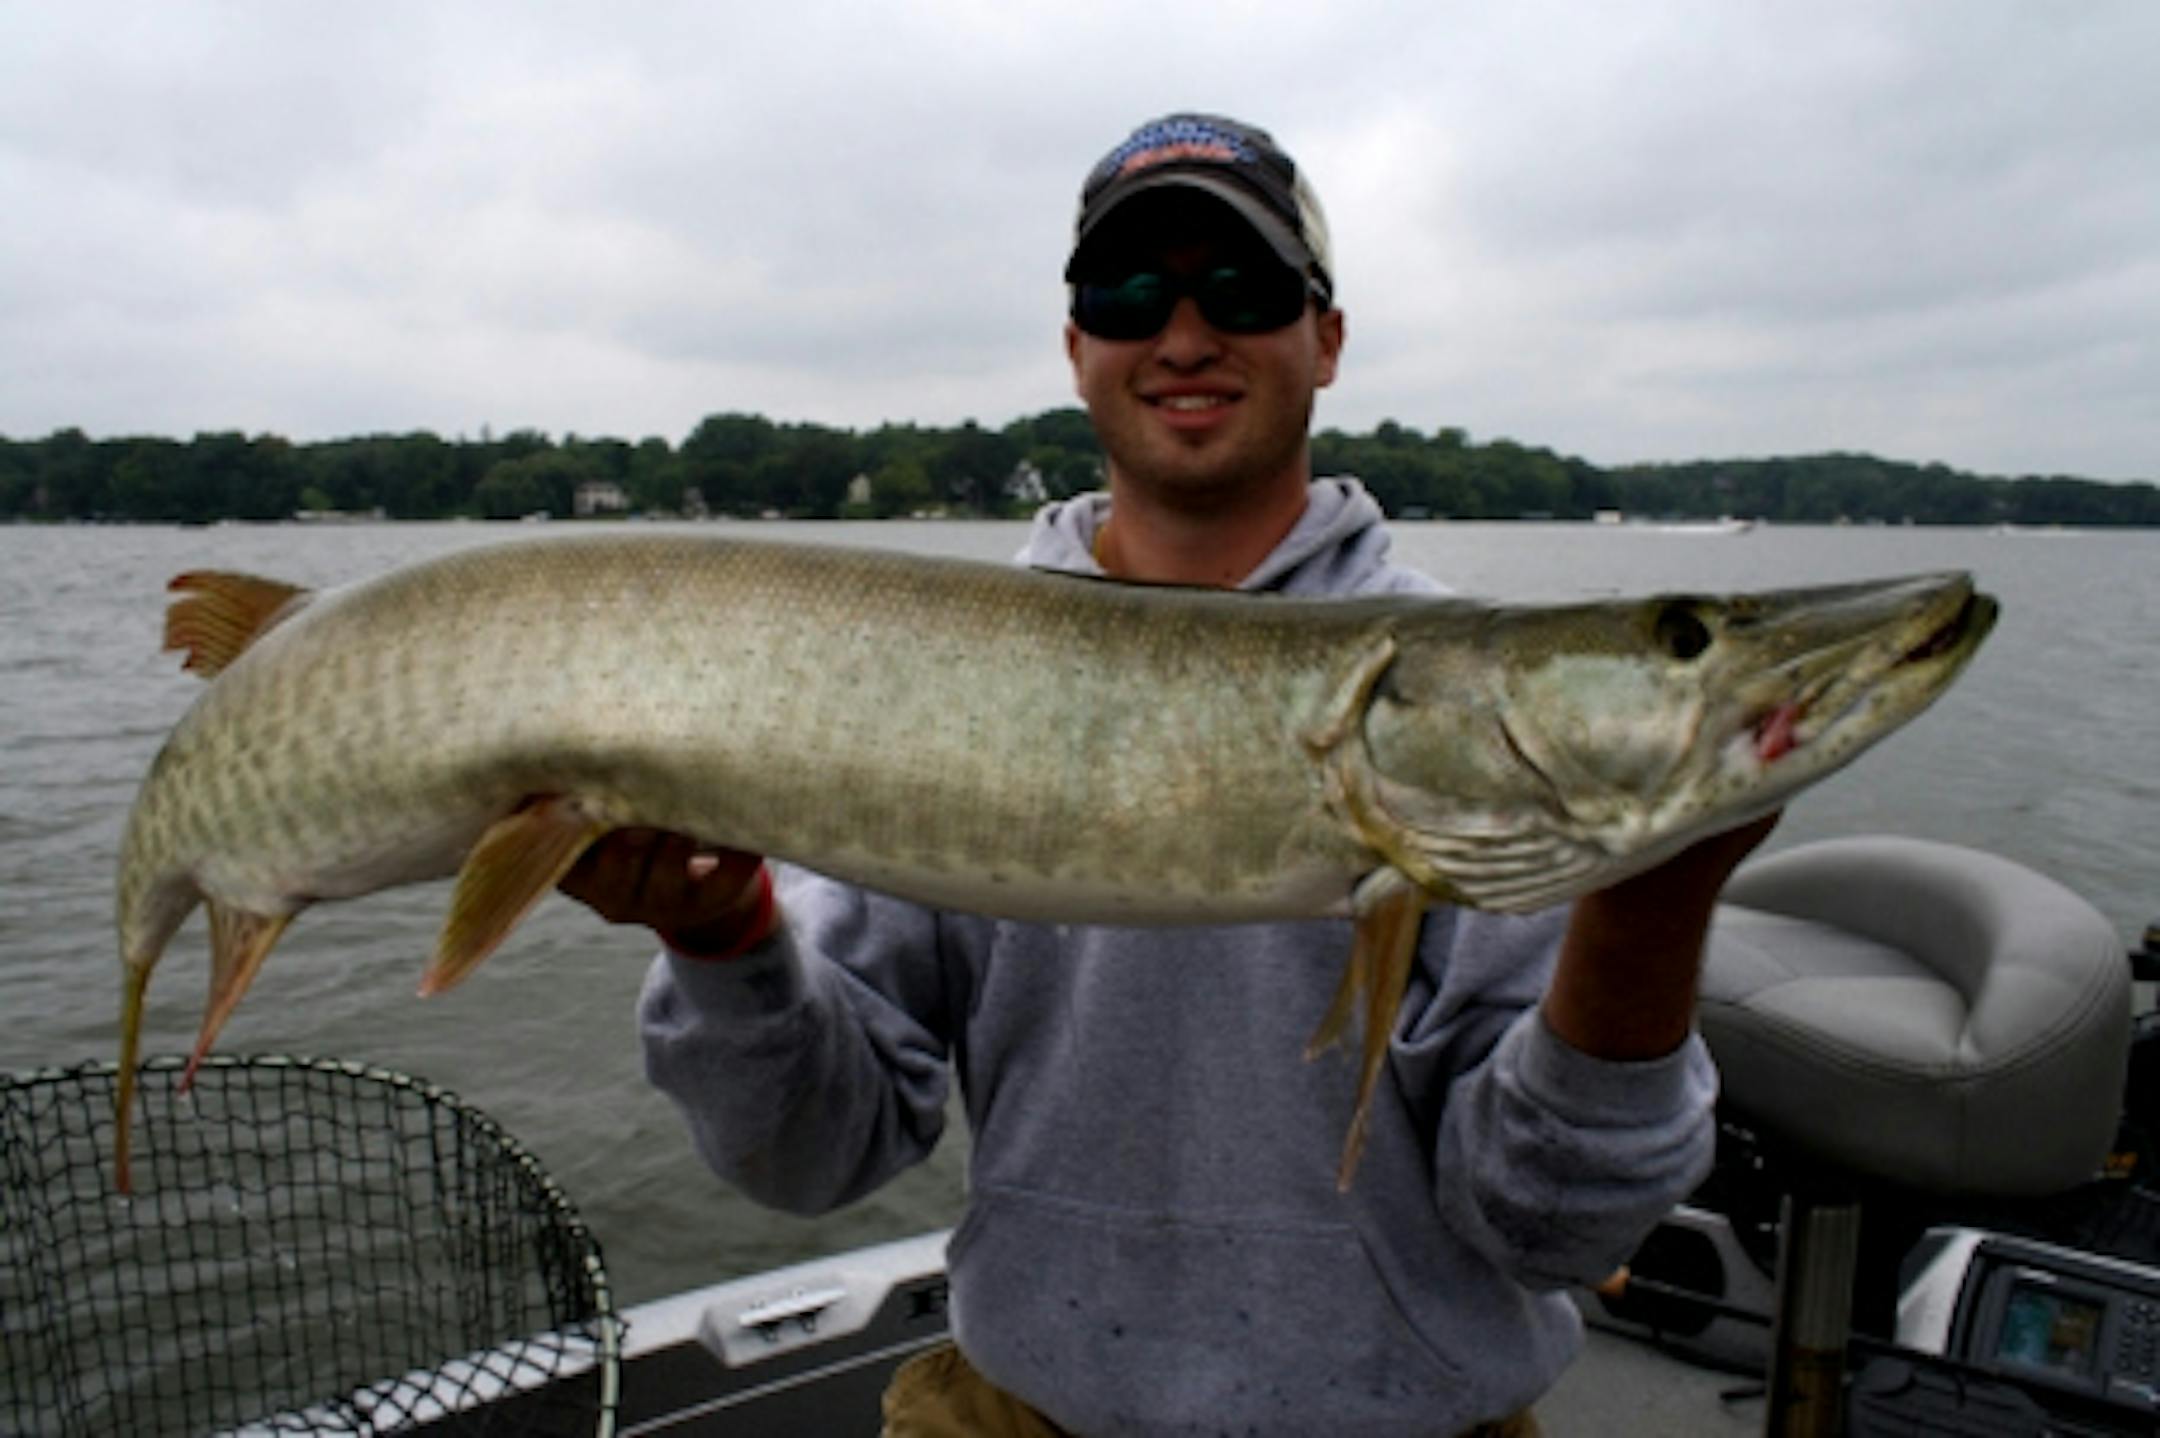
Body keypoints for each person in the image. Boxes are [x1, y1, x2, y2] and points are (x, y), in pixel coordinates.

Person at [562, 113, 1772, 1438]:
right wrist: (725, 936)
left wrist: (1649, 909)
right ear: (1078, 346)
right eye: (1129, 292)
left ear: (1326, 337)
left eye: (1243, 288)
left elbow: (1557, 1223)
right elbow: (812, 1153)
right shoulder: (938, 674)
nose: (1184, 334)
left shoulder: (1465, 705)